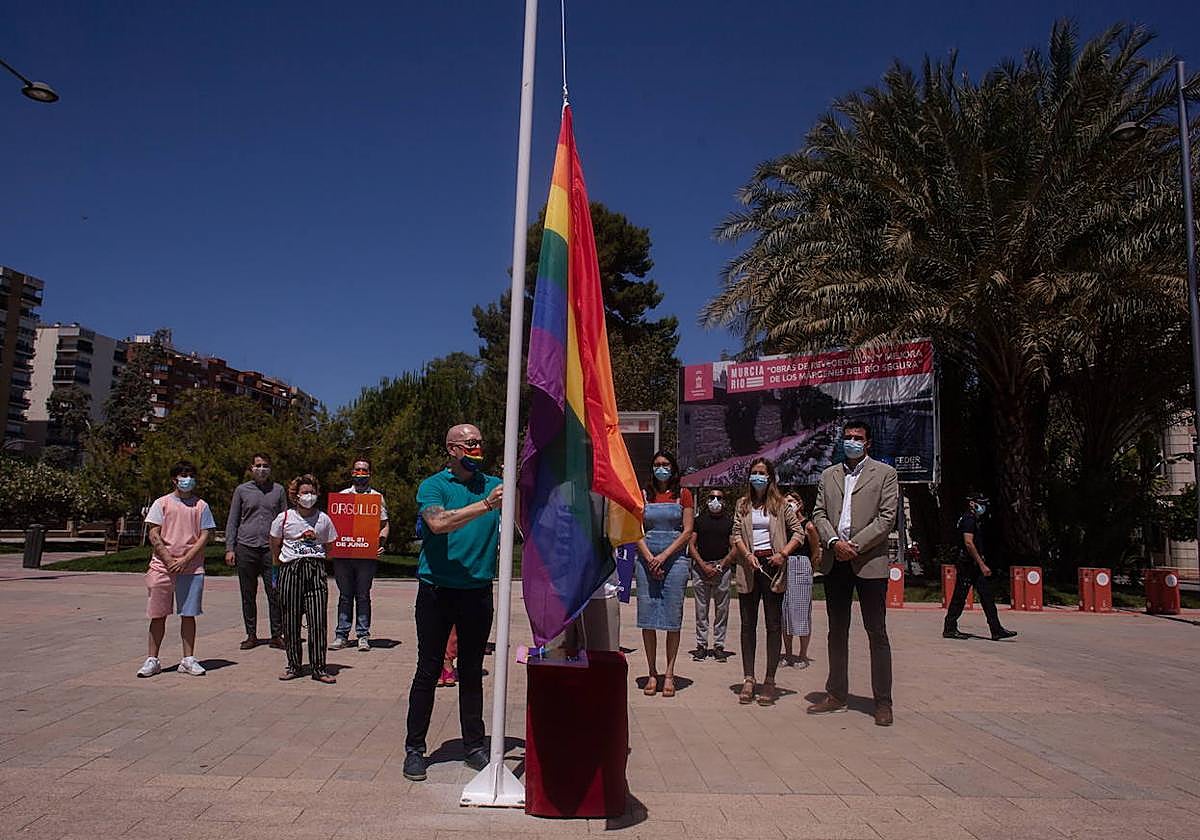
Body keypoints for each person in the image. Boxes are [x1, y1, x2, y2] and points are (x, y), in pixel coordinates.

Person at [404, 424, 503, 782]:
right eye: (470, 443)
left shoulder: (494, 484)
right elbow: (438, 523)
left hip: (476, 591)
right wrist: (487, 505)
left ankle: (474, 745)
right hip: (436, 591)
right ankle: (415, 748)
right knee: (428, 669)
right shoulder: (434, 486)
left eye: (480, 441)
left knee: (472, 670)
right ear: (452, 449)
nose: (477, 447)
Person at [809, 420, 899, 726]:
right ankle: (836, 693)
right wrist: (834, 542)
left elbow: (886, 518)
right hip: (836, 562)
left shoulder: (885, 474)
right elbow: (818, 513)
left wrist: (854, 545)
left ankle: (883, 702)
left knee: (876, 632)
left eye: (857, 438)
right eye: (847, 437)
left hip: (869, 562)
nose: (852, 442)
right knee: (837, 630)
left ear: (868, 442)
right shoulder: (828, 475)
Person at [730, 458, 801, 705]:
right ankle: (749, 679)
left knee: (773, 625)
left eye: (762, 473)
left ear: (770, 477)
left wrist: (783, 554)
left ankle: (770, 681)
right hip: (750, 566)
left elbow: (799, 533)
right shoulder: (742, 504)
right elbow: (736, 533)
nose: (757, 476)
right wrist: (746, 555)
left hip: (773, 567)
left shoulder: (781, 505)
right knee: (747, 625)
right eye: (754, 472)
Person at [137, 460, 215, 678]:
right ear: (174, 479)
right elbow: (154, 533)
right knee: (158, 614)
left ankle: (188, 658)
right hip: (162, 568)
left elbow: (205, 535)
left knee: (188, 614)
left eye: (190, 475)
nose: (186, 479)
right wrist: (169, 559)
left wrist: (186, 559)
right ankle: (152, 659)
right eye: (182, 475)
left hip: (192, 569)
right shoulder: (161, 503)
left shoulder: (201, 506)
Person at [634, 451, 694, 698]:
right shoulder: (642, 495)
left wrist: (665, 555)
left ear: (673, 468)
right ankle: (651, 672)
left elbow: (688, 530)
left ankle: (669, 674)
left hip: (675, 558)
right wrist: (649, 557)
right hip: (646, 557)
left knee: (672, 616)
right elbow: (635, 529)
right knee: (647, 616)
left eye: (666, 464)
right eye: (657, 464)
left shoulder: (684, 494)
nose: (662, 468)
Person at [270, 475, 339, 684]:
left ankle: (319, 667)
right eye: (304, 492)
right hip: (290, 569)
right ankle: (294, 665)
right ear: (295, 496)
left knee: (317, 620)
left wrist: (318, 559)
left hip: (315, 570)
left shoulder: (323, 519)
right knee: (290, 621)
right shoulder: (284, 518)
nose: (308, 496)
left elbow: (330, 546)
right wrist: (276, 571)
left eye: (312, 492)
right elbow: (274, 543)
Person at [224, 453, 286, 650]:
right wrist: (230, 548)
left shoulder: (278, 490)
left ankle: (277, 634)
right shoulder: (242, 490)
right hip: (246, 548)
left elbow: (286, 520)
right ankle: (251, 634)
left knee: (275, 592)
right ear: (251, 468)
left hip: (271, 550)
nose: (262, 469)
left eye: (265, 465)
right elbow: (233, 520)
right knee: (247, 593)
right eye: (258, 465)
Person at [330, 458, 390, 653]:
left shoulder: (377, 497)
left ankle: (363, 635)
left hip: (366, 556)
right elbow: (332, 526)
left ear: (370, 473)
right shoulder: (342, 497)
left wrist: (380, 543)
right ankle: (341, 635)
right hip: (344, 556)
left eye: (364, 470)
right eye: (357, 469)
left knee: (363, 596)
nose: (361, 473)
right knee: (345, 596)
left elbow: (384, 524)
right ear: (352, 472)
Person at [944, 493, 1018, 641]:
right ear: (972, 503)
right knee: (960, 597)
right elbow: (968, 543)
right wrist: (982, 564)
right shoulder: (969, 519)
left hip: (973, 565)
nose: (983, 507)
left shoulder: (972, 519)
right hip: (968, 565)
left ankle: (996, 629)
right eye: (980, 503)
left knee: (987, 596)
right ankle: (949, 628)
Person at [688, 486, 735, 663]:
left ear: (724, 502)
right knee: (701, 610)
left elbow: (735, 547)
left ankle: (719, 646)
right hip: (701, 569)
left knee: (722, 610)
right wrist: (702, 565)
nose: (716, 501)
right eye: (712, 498)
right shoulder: (699, 521)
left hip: (721, 569)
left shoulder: (729, 522)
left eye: (719, 498)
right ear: (707, 501)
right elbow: (691, 545)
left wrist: (721, 565)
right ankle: (701, 645)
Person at [781, 491, 821, 668]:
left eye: (791, 501)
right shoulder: (782, 526)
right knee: (785, 612)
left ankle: (803, 654)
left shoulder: (808, 526)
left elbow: (816, 552)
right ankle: (788, 653)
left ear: (799, 503)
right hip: (785, 567)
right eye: (785, 502)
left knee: (802, 613)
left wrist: (810, 570)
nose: (788, 504)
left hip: (801, 565)